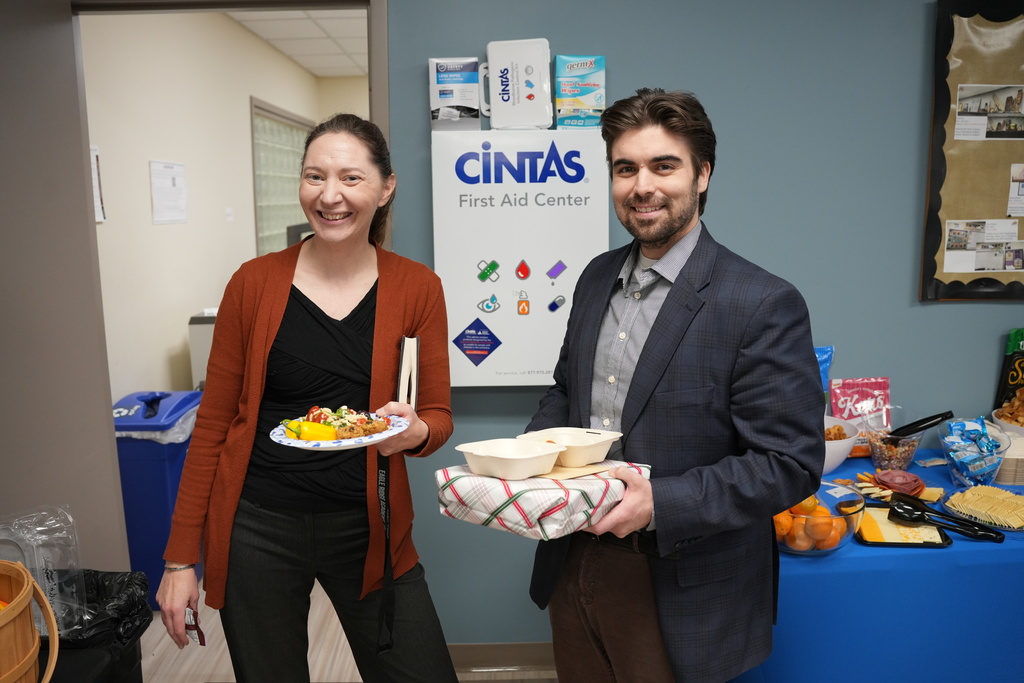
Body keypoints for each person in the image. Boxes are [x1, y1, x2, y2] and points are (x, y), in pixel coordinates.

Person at [525, 88, 825, 682]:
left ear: (703, 174)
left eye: (664, 166)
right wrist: (532, 457)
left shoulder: (762, 302)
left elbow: (789, 463)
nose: (643, 186)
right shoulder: (593, 278)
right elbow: (565, 392)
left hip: (680, 579)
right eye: (625, 168)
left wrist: (658, 503)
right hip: (573, 557)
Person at [156, 113, 459, 683]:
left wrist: (415, 432)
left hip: (369, 524)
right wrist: (179, 560)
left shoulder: (417, 287)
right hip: (258, 527)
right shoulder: (253, 284)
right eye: (314, 177)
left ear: (386, 187)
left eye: (350, 177)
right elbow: (214, 425)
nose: (330, 195)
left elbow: (437, 416)